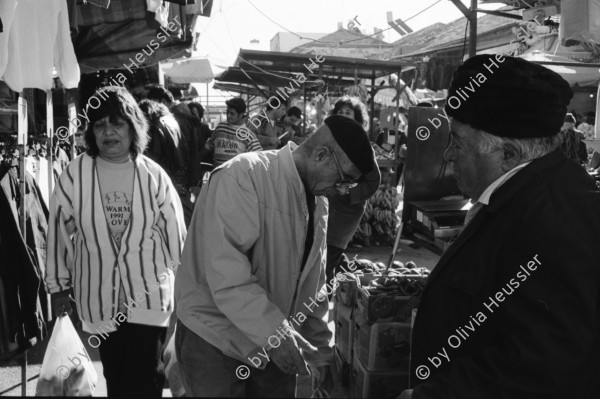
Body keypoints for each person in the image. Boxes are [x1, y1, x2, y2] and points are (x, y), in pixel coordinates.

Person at [400, 55, 600, 399]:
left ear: (506, 154)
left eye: (457, 142)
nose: (448, 155)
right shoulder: (524, 192)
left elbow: (548, 363)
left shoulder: (553, 217)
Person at [174, 115, 376, 397]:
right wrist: (276, 335)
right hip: (215, 341)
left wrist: (320, 351)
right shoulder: (243, 176)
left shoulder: (319, 204)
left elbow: (312, 288)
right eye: (344, 181)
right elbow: (227, 275)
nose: (342, 191)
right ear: (321, 155)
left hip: (271, 341)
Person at [46, 86, 186, 398]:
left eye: (117, 123)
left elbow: (177, 237)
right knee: (117, 377)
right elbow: (57, 231)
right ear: (91, 131)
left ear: (133, 127)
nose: (108, 132)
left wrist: (188, 292)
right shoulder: (74, 174)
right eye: (99, 125)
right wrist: (58, 287)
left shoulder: (154, 176)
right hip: (98, 299)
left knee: (148, 376)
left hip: (149, 296)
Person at [325, 96, 381, 293]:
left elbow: (373, 181)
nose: (342, 117)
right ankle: (349, 284)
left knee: (329, 256)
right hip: (326, 205)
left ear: (357, 120)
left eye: (347, 113)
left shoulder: (361, 146)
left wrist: (349, 190)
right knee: (326, 252)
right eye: (339, 112)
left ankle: (322, 304)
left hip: (346, 210)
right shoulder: (330, 141)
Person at [200, 97, 262, 167]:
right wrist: (197, 159)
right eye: (227, 112)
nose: (228, 115)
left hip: (236, 176)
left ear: (241, 114)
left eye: (232, 113)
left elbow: (259, 157)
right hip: (217, 174)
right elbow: (209, 145)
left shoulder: (248, 135)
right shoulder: (220, 127)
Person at [138, 99, 187, 185]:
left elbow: (154, 155)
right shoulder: (172, 121)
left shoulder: (156, 126)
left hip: (162, 174)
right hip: (178, 173)